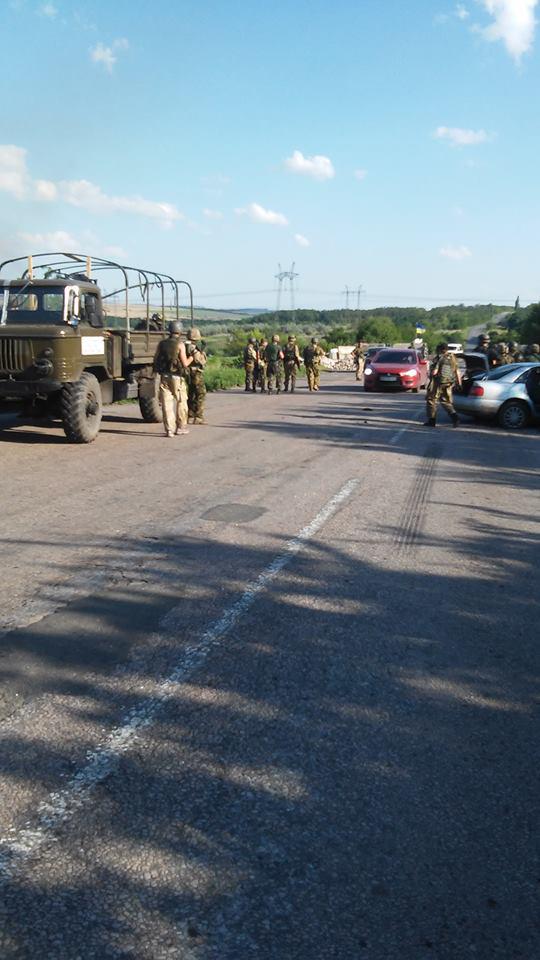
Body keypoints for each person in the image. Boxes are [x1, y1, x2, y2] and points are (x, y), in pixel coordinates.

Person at [153, 321, 193, 437]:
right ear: (180, 331)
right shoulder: (180, 345)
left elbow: (156, 359)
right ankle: (181, 427)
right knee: (181, 401)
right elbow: (185, 363)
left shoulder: (162, 344)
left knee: (166, 404)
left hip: (164, 376)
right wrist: (192, 357)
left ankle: (169, 430)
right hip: (176, 377)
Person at [424, 342, 461, 427]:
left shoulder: (440, 358)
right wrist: (459, 384)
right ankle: (455, 418)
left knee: (431, 400)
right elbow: (457, 372)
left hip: (437, 382)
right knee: (446, 401)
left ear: (440, 349)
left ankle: (432, 420)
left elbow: (434, 372)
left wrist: (430, 373)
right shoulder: (453, 358)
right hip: (448, 383)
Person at [186, 327, 207, 424]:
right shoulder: (192, 347)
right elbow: (199, 360)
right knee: (200, 394)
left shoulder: (185, 345)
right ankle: (198, 416)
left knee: (191, 393)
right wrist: (202, 354)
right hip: (196, 372)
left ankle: (190, 415)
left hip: (189, 372)